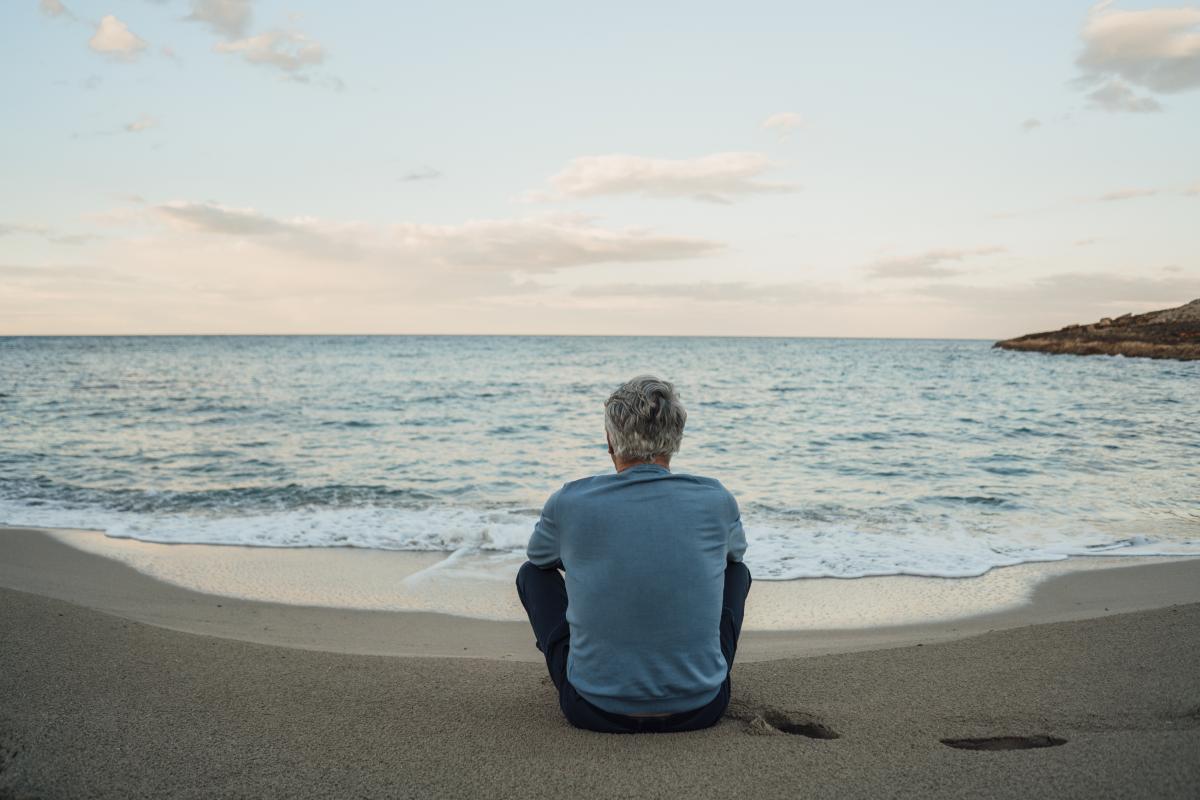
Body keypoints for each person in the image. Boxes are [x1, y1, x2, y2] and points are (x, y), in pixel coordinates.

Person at [515, 375, 751, 734]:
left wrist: (595, 558)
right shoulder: (716, 499)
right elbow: (733, 556)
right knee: (737, 572)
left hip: (593, 709)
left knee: (531, 575)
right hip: (701, 706)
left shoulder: (569, 501)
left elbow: (540, 559)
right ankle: (689, 670)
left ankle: (594, 666)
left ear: (610, 440)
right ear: (676, 438)